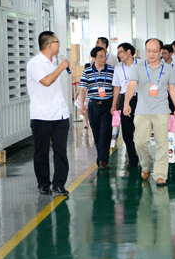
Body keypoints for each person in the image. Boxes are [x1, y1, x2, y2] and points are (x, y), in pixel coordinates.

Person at [123, 38, 175, 185]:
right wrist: (126, 103)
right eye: (149, 51)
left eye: (155, 51)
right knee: (139, 142)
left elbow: (172, 89)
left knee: (162, 143)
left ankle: (160, 174)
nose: (151, 54)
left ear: (161, 51)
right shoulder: (138, 67)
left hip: (162, 110)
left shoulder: (168, 68)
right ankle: (146, 165)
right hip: (142, 110)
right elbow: (131, 86)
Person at [26, 31, 71, 196]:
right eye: (58, 42)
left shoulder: (55, 62)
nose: (59, 45)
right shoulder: (35, 63)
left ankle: (59, 184)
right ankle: (44, 184)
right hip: (42, 116)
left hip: (60, 114)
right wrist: (61, 68)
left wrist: (59, 67)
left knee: (61, 151)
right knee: (42, 152)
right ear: (50, 45)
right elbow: (46, 81)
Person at [79, 46, 115, 169]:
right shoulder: (87, 71)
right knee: (96, 132)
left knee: (105, 132)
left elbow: (116, 88)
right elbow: (83, 89)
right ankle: (101, 157)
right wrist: (82, 105)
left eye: (104, 56)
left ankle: (102, 159)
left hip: (107, 104)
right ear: (93, 58)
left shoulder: (111, 70)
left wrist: (114, 104)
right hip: (93, 105)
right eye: (100, 56)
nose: (104, 58)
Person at [111, 42, 140, 169]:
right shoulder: (118, 67)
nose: (119, 55)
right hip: (124, 98)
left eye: (120, 52)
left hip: (140, 98)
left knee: (140, 128)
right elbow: (117, 87)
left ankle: (142, 155)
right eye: (118, 53)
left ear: (129, 51)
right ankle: (132, 158)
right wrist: (114, 104)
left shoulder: (142, 64)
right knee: (127, 130)